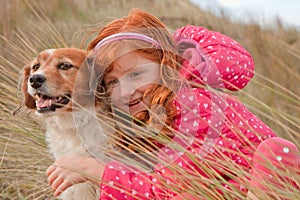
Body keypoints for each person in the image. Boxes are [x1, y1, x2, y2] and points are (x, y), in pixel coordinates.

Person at [46, 9, 299, 199]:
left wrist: (98, 171)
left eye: (136, 74)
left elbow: (171, 186)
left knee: (275, 151)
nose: (126, 91)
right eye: (112, 83)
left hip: (259, 188)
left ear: (166, 68)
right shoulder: (142, 125)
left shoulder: (196, 106)